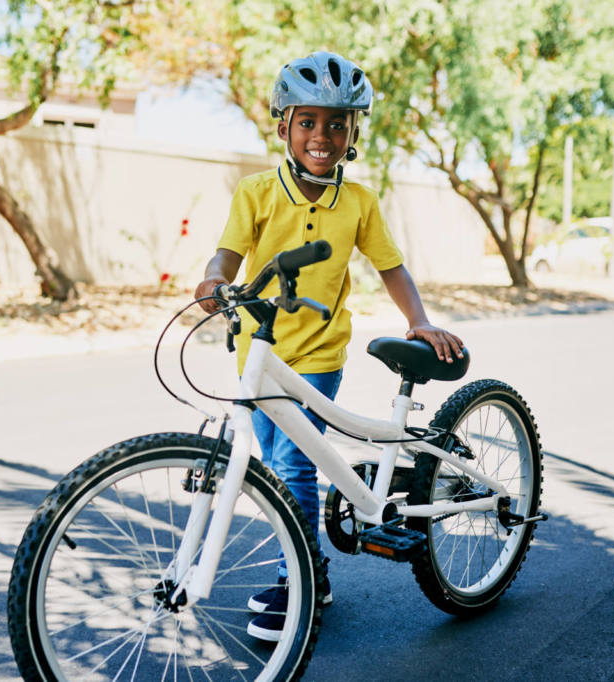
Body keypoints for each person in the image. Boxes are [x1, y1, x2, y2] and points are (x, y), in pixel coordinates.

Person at [194, 51, 464, 641]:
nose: (323, 135)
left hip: (317, 355)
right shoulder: (256, 192)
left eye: (338, 123)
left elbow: (391, 267)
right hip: (257, 354)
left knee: (292, 462)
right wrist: (214, 280)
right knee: (273, 457)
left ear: (354, 132)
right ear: (283, 124)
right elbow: (227, 253)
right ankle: (309, 561)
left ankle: (304, 579)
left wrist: (417, 319)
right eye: (309, 121)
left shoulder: (359, 202)